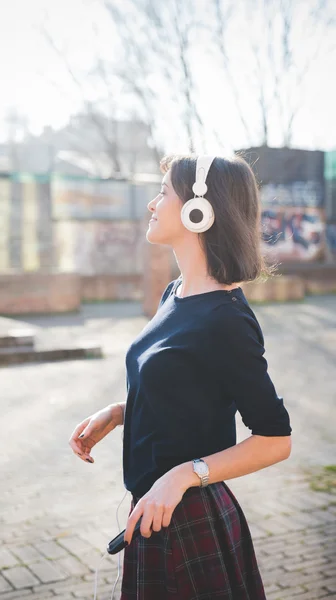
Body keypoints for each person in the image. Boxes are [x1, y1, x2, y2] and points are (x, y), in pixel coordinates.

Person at [69, 153, 292, 599]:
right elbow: (185, 393)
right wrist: (119, 413)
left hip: (189, 523)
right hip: (153, 512)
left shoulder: (226, 320)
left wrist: (184, 475)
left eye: (163, 192)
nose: (152, 204)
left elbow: (276, 440)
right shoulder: (175, 293)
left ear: (199, 211)